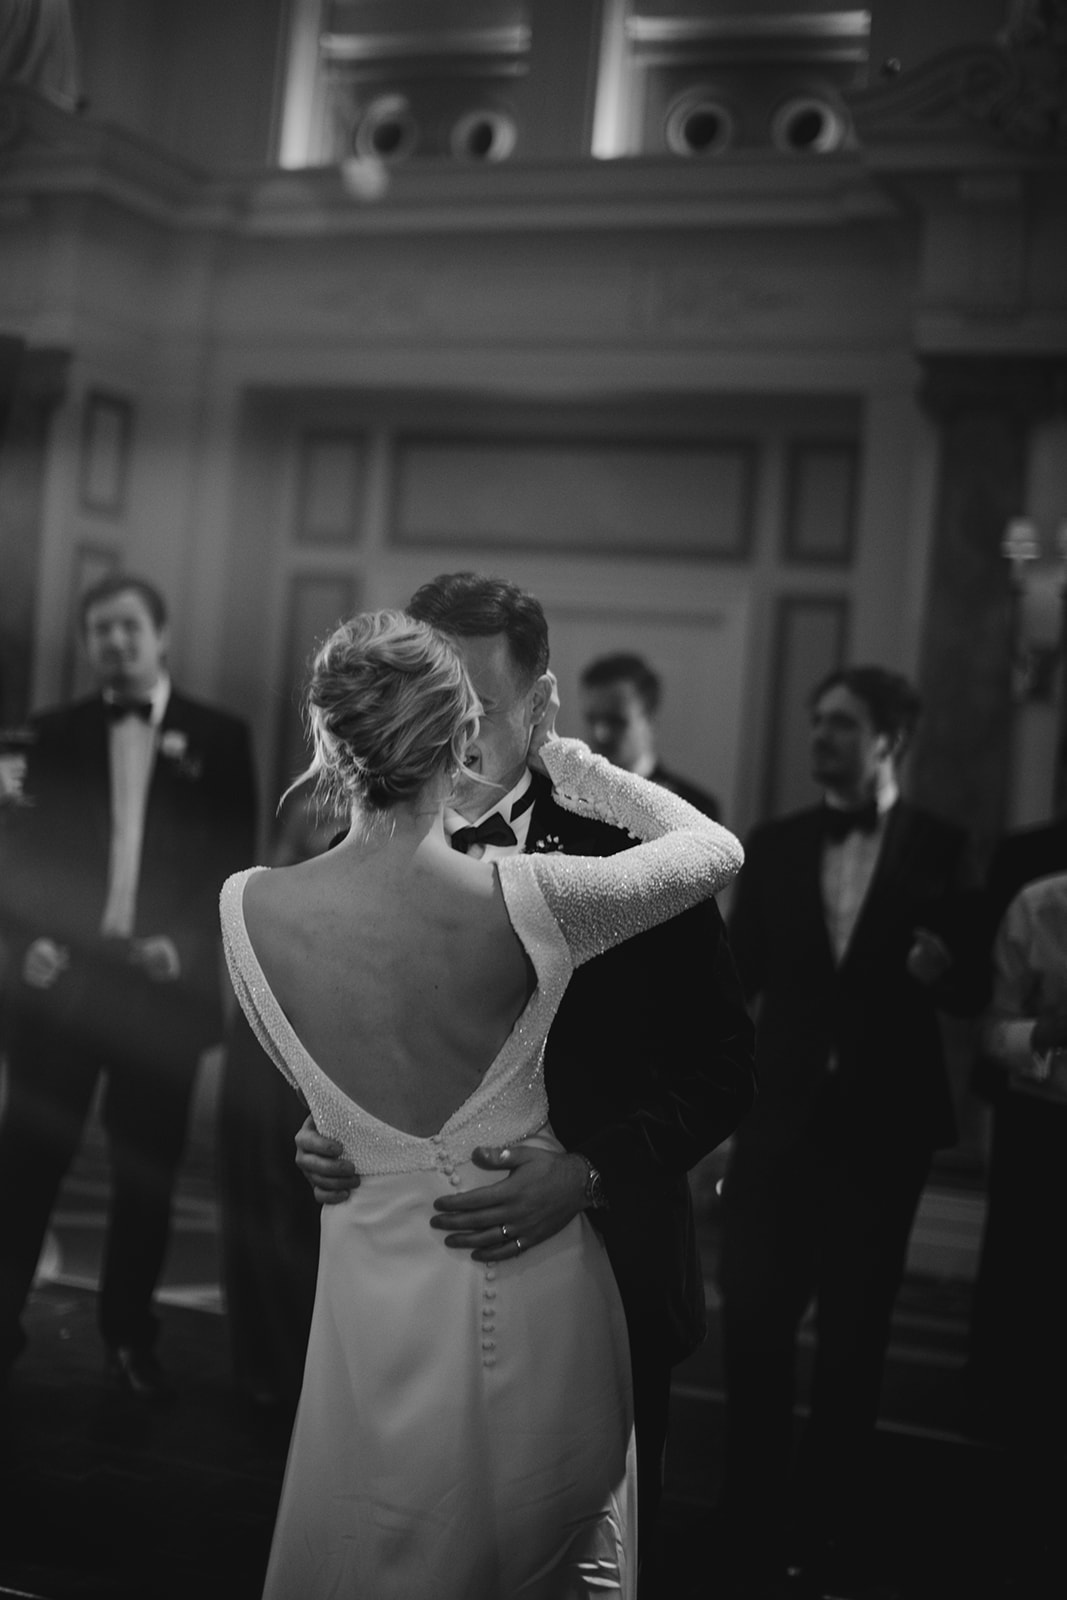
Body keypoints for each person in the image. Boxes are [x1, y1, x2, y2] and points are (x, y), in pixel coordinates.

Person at [221, 608, 744, 1599]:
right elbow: (713, 848)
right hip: (527, 1285)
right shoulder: (527, 896)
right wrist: (581, 765)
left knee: (375, 1547)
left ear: (326, 737)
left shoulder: (243, 904)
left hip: (368, 1285)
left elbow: (329, 1077)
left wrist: (334, 1128)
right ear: (462, 736)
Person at [720, 664, 982, 1599]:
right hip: (777, 1125)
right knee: (750, 1328)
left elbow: (978, 988)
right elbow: (734, 982)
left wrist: (944, 969)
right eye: (816, 722)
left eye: (840, 725)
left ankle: (822, 1528)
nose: (820, 738)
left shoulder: (943, 847)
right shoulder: (777, 842)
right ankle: (746, 1519)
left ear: (888, 740)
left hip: (880, 1133)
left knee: (854, 1345)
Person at [0, 574, 256, 1398]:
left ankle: (127, 1339)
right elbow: (16, 861)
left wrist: (185, 944)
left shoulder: (220, 737)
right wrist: (26, 942)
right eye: (99, 630)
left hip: (158, 997)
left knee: (146, 1176)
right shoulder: (47, 735)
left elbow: (232, 857)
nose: (114, 642)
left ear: (162, 633)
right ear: (87, 644)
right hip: (61, 986)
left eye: (128, 627)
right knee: (26, 1168)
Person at [579, 650, 721, 819]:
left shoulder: (694, 808)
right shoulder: (566, 797)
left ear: (651, 721)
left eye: (616, 721)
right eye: (592, 719)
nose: (600, 734)